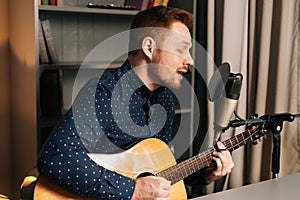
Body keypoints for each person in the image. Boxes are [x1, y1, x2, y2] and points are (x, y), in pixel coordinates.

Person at [37, 6, 234, 199]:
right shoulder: (104, 92)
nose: (189, 61)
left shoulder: (163, 98)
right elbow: (55, 156)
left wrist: (205, 173)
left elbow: (158, 168)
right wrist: (132, 190)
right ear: (149, 48)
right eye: (182, 50)